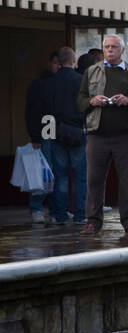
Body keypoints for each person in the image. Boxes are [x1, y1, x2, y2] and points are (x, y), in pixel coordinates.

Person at [77, 34, 128, 238]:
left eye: (114, 47)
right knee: (94, 179)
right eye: (107, 47)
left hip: (126, 137)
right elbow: (80, 101)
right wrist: (92, 101)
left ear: (122, 50)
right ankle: (93, 222)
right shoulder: (92, 72)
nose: (110, 50)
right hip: (97, 135)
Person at [45, 46, 88, 224]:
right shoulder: (81, 80)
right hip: (78, 132)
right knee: (80, 176)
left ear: (59, 61)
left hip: (57, 132)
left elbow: (46, 109)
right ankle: (80, 215)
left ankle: (60, 215)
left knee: (60, 175)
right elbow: (87, 106)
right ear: (74, 60)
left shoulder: (50, 82)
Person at [23, 51, 61, 224]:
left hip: (58, 133)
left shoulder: (59, 84)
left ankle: (54, 210)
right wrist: (35, 137)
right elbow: (31, 112)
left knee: (56, 173)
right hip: (46, 132)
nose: (58, 66)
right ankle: (37, 208)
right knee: (45, 172)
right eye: (55, 63)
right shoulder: (39, 85)